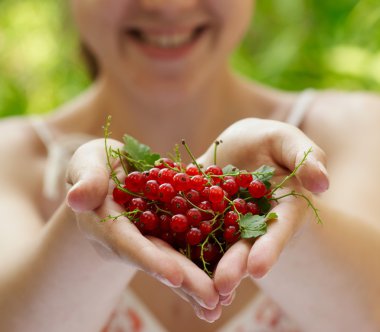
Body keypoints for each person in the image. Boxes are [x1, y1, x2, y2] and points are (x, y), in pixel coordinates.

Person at [0, 0, 379, 331]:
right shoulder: (9, 156)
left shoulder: (357, 128)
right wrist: (86, 228)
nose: (169, 4)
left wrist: (296, 231)